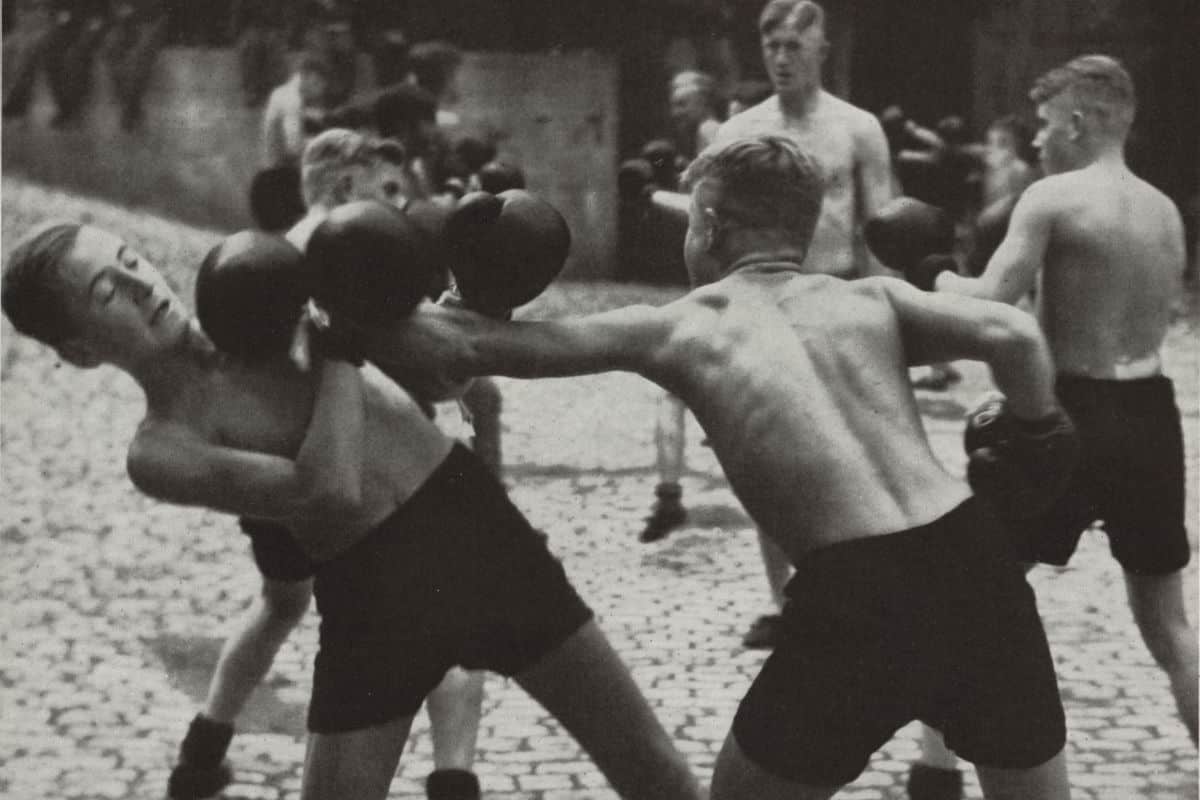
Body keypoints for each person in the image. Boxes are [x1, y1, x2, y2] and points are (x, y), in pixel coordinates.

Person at [367, 133, 1075, 800]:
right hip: (975, 558)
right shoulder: (870, 298)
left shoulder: (683, 328)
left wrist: (420, 291)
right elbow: (1010, 331)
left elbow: (465, 349)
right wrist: (1037, 434)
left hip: (861, 593)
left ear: (707, 226)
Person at [2, 239, 702, 800]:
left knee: (655, 774)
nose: (140, 283)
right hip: (372, 595)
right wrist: (337, 345)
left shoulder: (261, 290)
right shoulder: (161, 448)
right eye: (105, 292)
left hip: (477, 535)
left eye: (130, 261)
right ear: (79, 350)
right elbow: (328, 490)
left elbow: (441, 377)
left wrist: (423, 286)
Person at [166, 128, 488, 800]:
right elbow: (410, 371)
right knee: (447, 623)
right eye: (389, 190)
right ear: (346, 188)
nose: (401, 205)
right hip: (350, 479)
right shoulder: (360, 261)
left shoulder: (260, 262)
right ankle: (454, 784)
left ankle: (202, 752)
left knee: (280, 604)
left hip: (276, 481)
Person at [918, 54, 1198, 795]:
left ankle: (935, 770)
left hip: (1069, 411)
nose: (1037, 140)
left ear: (1078, 122)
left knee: (967, 589)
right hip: (1152, 414)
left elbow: (988, 305)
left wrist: (929, 273)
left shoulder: (1051, 197)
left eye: (1044, 125)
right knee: (1170, 627)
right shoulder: (1164, 210)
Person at [713, 0, 895, 647]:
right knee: (767, 454)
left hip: (838, 296)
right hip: (766, 302)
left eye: (795, 45)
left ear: (822, 50)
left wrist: (888, 319)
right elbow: (715, 233)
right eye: (773, 47)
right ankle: (785, 600)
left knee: (857, 452)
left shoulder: (857, 129)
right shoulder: (739, 132)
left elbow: (883, 230)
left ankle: (857, 591)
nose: (783, 58)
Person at [261, 51, 332, 168]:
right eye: (316, 84)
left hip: (277, 162)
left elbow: (296, 116)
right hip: (281, 168)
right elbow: (294, 148)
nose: (320, 91)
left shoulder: (283, 91)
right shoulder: (292, 100)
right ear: (305, 77)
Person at [669, 70, 723, 161]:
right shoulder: (694, 134)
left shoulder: (709, 130)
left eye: (682, 104)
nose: (675, 113)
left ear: (703, 102)